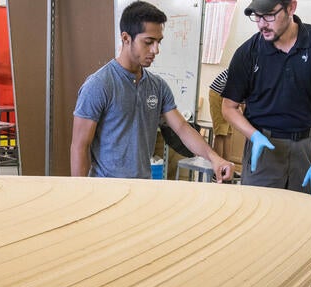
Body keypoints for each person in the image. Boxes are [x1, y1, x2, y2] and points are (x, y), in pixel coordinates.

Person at [71, 1, 233, 182]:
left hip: (143, 187)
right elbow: (79, 146)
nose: (156, 50)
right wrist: (81, 192)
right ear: (126, 38)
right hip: (106, 188)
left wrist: (214, 158)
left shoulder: (157, 86)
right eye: (148, 42)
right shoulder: (99, 85)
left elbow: (182, 128)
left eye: (158, 42)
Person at [221, 0, 311, 200]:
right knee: (258, 214)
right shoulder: (248, 53)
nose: (262, 24)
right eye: (257, 16)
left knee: (301, 216)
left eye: (269, 15)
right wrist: (254, 136)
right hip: (264, 148)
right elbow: (228, 107)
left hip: (305, 146)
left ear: (291, 7)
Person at [209, 69, 232, 161]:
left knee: (228, 133)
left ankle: (228, 167)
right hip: (218, 92)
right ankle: (218, 168)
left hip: (229, 93)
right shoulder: (251, 66)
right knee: (220, 132)